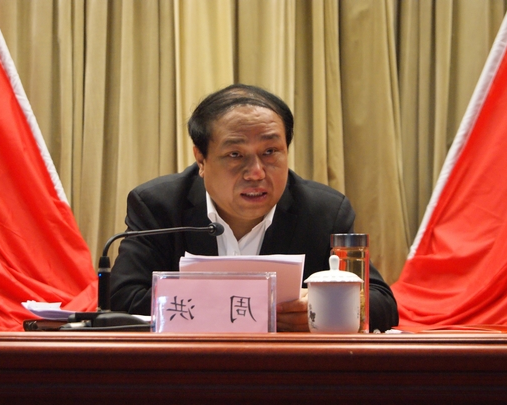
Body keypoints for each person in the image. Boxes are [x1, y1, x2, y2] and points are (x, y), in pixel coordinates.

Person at [110, 83, 398, 332]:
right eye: (235, 154)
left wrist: (325, 308)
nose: (256, 172)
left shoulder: (324, 211)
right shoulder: (158, 206)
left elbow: (381, 303)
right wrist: (257, 306)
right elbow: (121, 300)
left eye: (270, 152)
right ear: (201, 159)